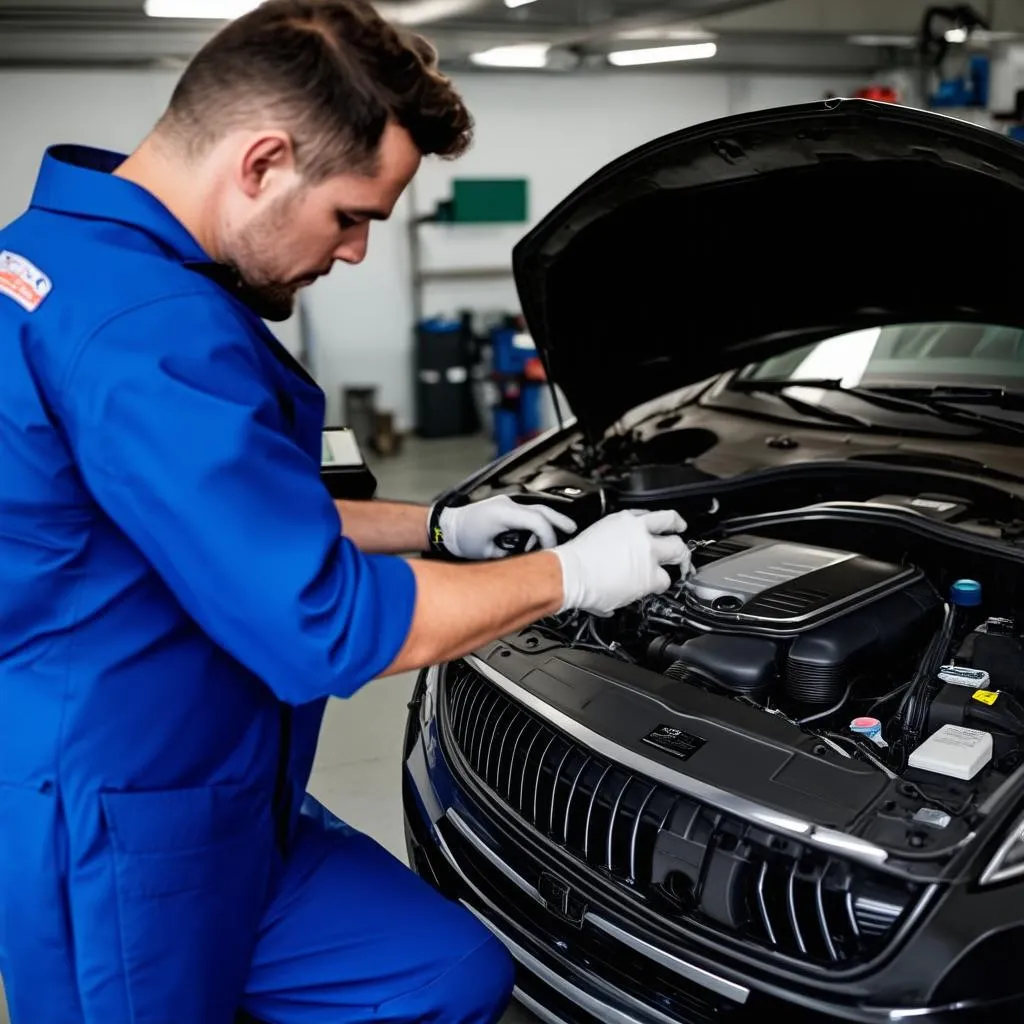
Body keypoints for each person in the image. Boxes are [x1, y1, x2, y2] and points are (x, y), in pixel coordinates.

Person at [0, 2, 690, 1022]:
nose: (359, 252)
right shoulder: (148, 332)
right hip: (124, 823)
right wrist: (573, 575)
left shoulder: (65, 253)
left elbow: (231, 507)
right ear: (263, 161)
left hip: (229, 792)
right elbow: (317, 623)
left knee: (441, 972)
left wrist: (439, 527)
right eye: (351, 215)